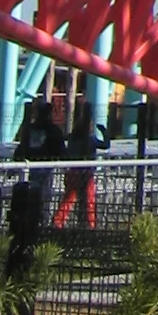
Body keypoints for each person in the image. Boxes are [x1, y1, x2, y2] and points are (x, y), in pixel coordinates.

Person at [52, 97, 110, 231]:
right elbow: (105, 145)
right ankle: (90, 225)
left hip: (73, 171)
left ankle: (58, 222)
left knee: (69, 198)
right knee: (88, 200)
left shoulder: (73, 138)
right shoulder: (90, 139)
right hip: (86, 172)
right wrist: (104, 132)